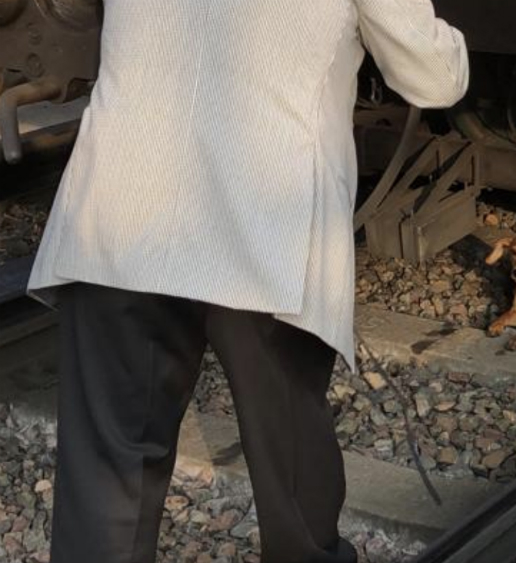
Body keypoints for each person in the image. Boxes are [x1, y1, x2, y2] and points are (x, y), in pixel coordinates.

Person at [25, 1, 469, 562]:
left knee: (108, 483)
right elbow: (433, 77)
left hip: (121, 210)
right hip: (265, 232)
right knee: (293, 486)